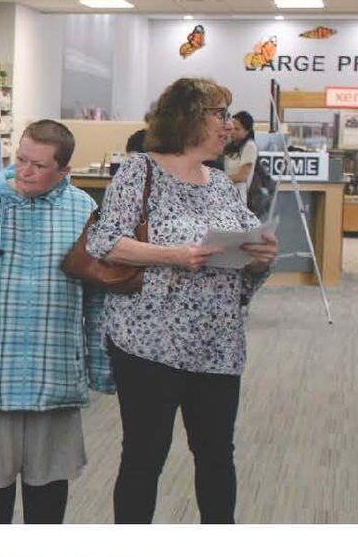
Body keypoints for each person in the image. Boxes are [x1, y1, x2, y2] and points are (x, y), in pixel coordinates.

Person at [84, 77, 277, 524]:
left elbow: (242, 262)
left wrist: (258, 258)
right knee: (145, 455)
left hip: (217, 345)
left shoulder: (220, 183)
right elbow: (104, 242)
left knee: (216, 455)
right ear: (187, 118)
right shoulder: (140, 171)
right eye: (219, 114)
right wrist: (174, 256)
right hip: (148, 343)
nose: (228, 125)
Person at [0, 120, 112, 525]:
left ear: (64, 170)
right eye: (20, 159)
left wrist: (101, 368)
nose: (24, 171)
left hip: (54, 375)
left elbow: (98, 296)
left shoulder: (84, 210)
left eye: (38, 165)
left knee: (47, 496)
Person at [222, 109, 258, 190]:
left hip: (238, 193)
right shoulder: (231, 144)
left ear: (247, 131)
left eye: (237, 129)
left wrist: (220, 179)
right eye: (231, 128)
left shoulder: (249, 146)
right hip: (227, 190)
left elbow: (242, 176)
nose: (232, 132)